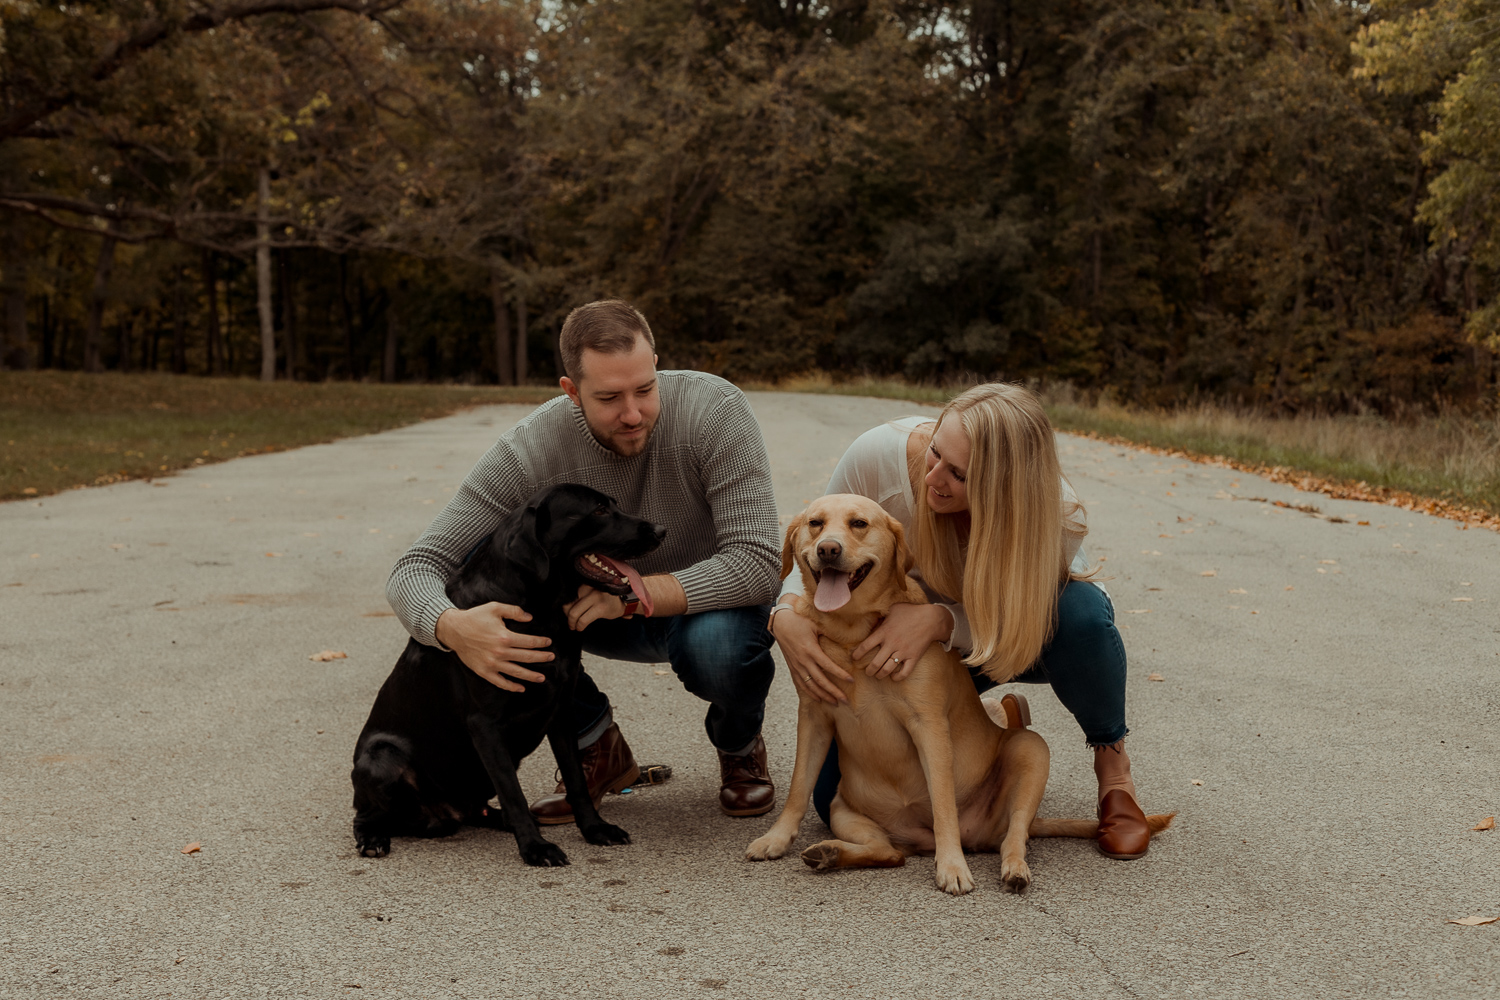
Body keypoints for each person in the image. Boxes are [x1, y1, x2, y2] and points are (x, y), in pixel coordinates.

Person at [386, 299, 783, 824]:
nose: (634, 412)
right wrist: (453, 627)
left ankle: (738, 746)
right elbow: (418, 566)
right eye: (609, 397)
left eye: (645, 388)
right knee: (476, 600)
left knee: (720, 649)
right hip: (581, 616)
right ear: (571, 391)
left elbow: (757, 562)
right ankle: (596, 743)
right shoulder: (529, 451)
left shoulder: (715, 411)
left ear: (657, 365)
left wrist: (631, 601)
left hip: (706, 609)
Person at [770, 382, 1154, 859]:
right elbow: (816, 547)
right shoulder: (877, 457)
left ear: (1004, 487)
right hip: (906, 644)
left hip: (1017, 636)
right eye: (935, 453)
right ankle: (986, 723)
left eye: (958, 474)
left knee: (1084, 616)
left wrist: (939, 622)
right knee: (840, 802)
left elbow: (1018, 621)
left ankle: (1114, 773)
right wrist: (784, 614)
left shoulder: (1055, 515)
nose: (933, 478)